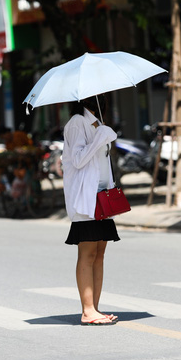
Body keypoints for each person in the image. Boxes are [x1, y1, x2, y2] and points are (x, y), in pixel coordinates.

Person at [62, 94, 120, 326]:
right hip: (86, 199)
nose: (103, 96)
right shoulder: (77, 122)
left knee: (100, 254)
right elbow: (77, 160)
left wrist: (101, 133)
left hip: (102, 196)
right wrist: (100, 138)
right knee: (87, 253)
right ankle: (87, 311)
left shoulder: (98, 122)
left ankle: (94, 308)